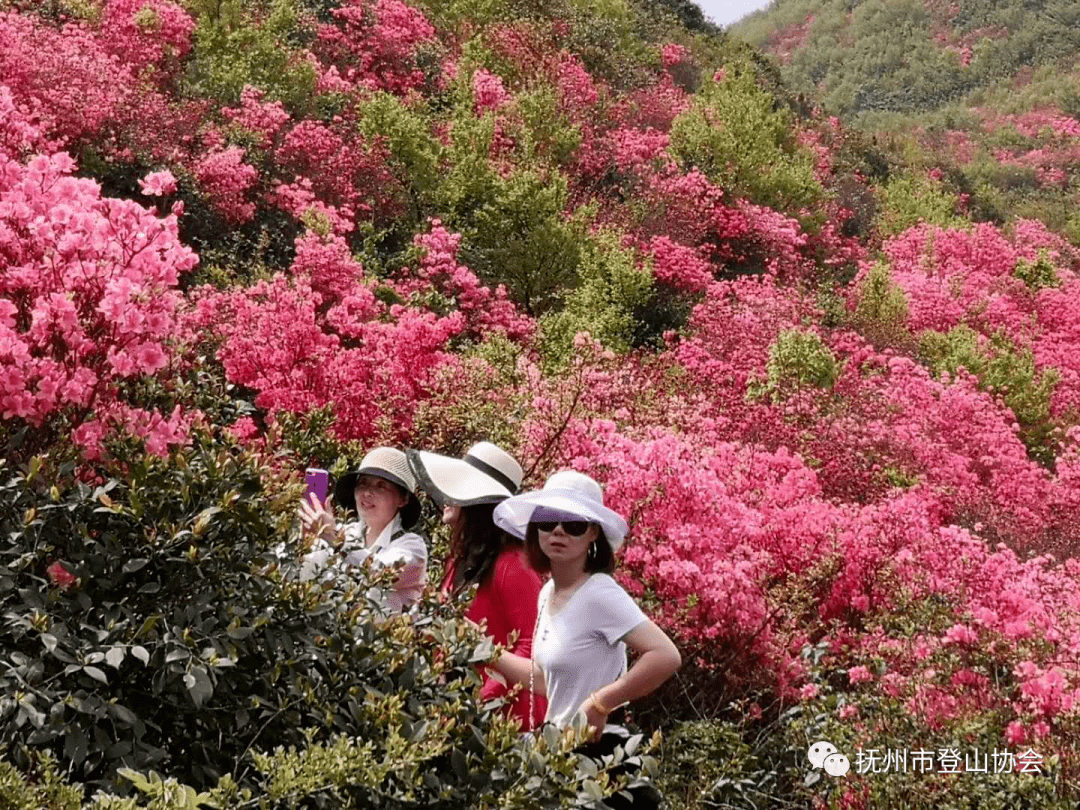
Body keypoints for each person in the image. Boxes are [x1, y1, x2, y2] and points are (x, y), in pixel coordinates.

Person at [489, 470, 681, 807]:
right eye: (548, 520)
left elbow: (665, 655)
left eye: (574, 522)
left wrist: (601, 702)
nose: (559, 530)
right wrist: (485, 653)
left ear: (593, 532)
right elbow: (548, 681)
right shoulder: (548, 591)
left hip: (599, 754)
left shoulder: (599, 592)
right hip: (559, 754)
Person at [407, 442, 547, 729]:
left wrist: (480, 702)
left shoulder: (514, 565)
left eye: (458, 488)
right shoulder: (460, 561)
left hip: (504, 725)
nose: (445, 495)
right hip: (458, 714)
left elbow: (532, 651)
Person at [298, 447, 427, 613]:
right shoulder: (344, 532)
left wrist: (335, 540)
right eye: (363, 483)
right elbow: (306, 580)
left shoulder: (413, 547)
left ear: (402, 499)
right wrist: (307, 541)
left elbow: (380, 573)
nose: (367, 492)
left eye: (381, 486)